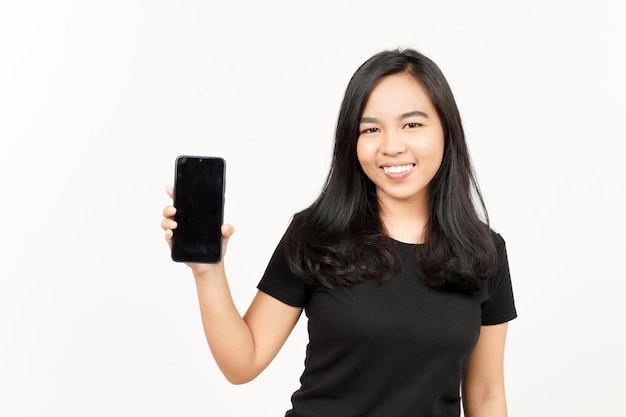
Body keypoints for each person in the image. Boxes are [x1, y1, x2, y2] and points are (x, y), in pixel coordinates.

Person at [161, 48, 517, 417]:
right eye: (371, 129)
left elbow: (488, 394)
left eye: (412, 124)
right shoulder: (317, 233)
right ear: (352, 141)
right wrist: (208, 272)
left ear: (446, 130)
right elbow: (242, 362)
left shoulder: (483, 252)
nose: (391, 146)